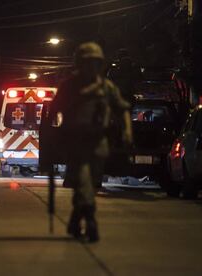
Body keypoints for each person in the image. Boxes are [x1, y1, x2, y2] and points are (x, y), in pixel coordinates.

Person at [50, 42, 133, 242]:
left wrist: (127, 131)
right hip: (75, 143)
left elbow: (122, 109)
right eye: (86, 63)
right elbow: (53, 112)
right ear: (79, 64)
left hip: (98, 144)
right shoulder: (69, 87)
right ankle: (91, 222)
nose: (91, 67)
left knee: (88, 186)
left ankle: (75, 220)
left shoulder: (106, 87)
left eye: (95, 63)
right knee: (84, 182)